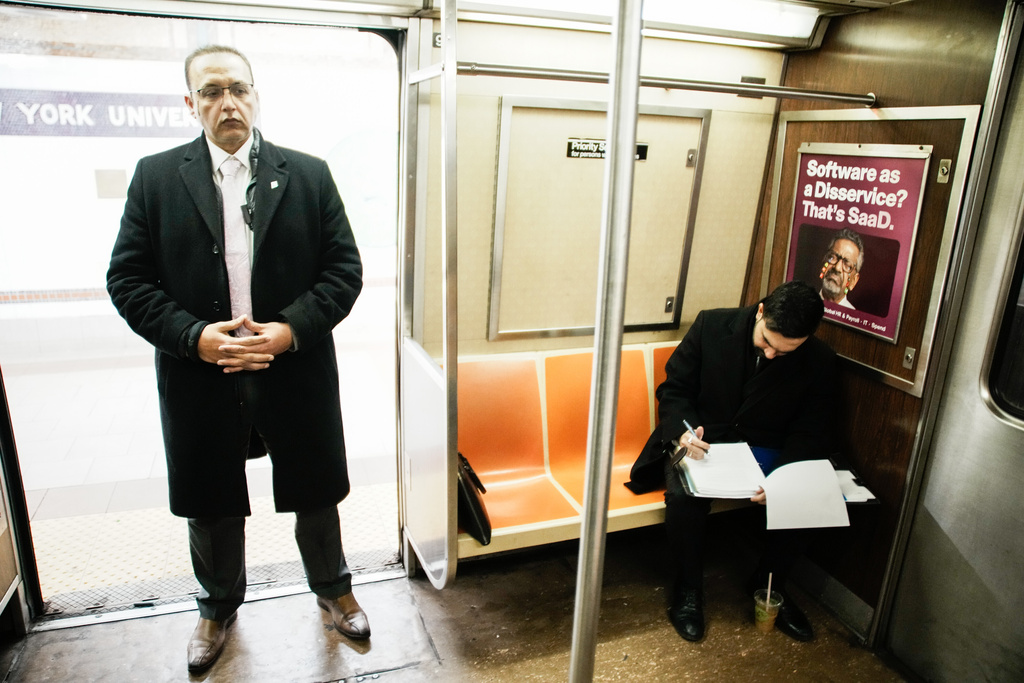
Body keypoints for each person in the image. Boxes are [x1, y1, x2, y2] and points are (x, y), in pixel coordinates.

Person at [107, 45, 369, 674]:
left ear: (256, 95)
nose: (228, 102)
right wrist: (194, 337)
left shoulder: (307, 174)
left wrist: (290, 331)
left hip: (294, 370)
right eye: (212, 91)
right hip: (201, 373)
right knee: (211, 500)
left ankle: (334, 592)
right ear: (191, 102)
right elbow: (128, 280)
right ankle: (216, 607)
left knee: (315, 489)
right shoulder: (155, 176)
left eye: (239, 89)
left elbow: (344, 272)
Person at [627, 281, 837, 643]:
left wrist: (786, 479)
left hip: (768, 447)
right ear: (760, 312)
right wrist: (683, 433)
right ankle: (688, 589)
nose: (771, 355)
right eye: (767, 342)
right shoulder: (711, 325)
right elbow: (675, 389)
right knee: (684, 498)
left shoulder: (819, 360)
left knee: (804, 495)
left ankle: (770, 583)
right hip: (704, 443)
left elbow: (810, 429)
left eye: (784, 352)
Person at [818, 227, 864, 308]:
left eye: (847, 265)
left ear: (853, 281)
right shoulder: (803, 302)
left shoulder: (853, 318)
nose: (837, 268)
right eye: (833, 257)